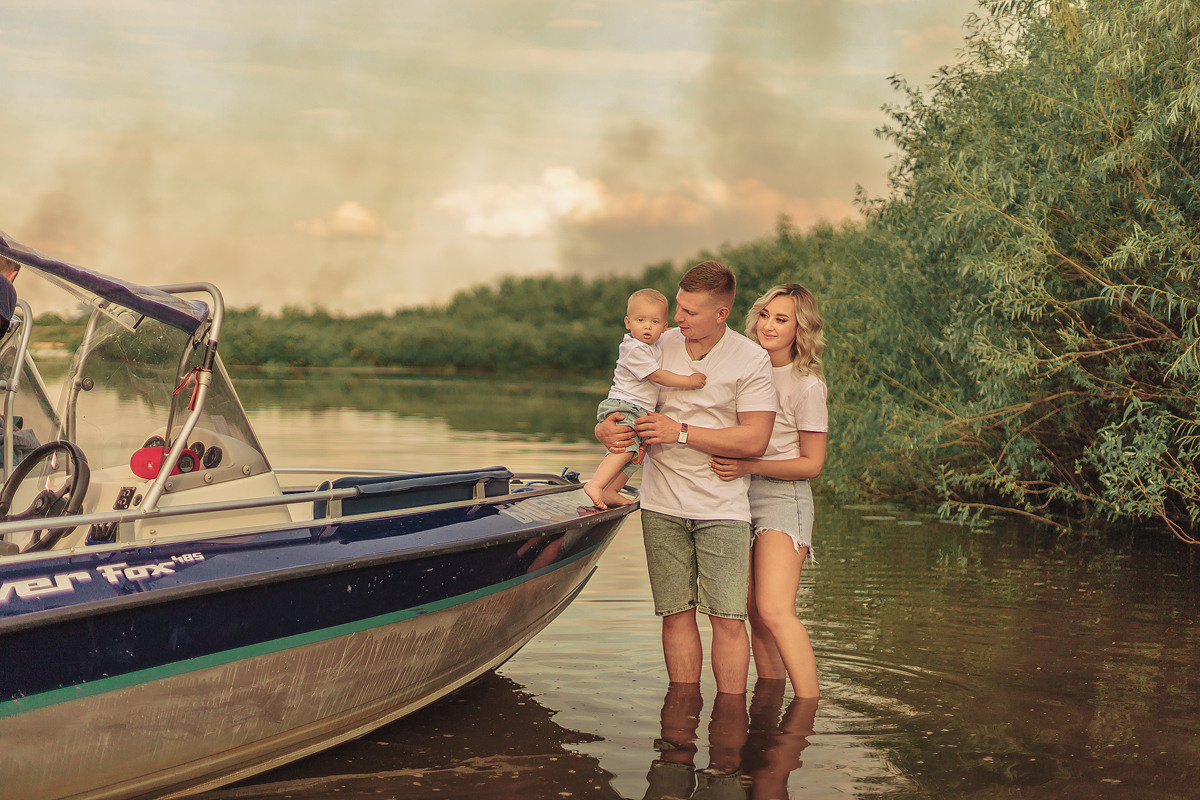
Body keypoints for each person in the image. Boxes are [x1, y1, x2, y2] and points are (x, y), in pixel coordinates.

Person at [596, 261, 777, 695]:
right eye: (677, 307)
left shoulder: (750, 358)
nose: (677, 318)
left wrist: (680, 432)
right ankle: (680, 724)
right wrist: (604, 430)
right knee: (675, 614)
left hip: (724, 508)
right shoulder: (656, 342)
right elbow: (623, 400)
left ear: (722, 313)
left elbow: (756, 438)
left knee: (728, 620)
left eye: (690, 312)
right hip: (660, 504)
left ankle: (730, 726)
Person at [709, 284, 826, 698]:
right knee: (754, 614)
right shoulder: (742, 367)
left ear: (801, 329)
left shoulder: (805, 384)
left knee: (775, 610)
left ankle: (808, 709)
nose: (769, 325)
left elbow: (812, 464)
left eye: (782, 319)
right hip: (736, 494)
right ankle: (770, 697)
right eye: (764, 315)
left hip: (783, 497)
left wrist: (750, 465)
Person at [585, 288, 707, 510]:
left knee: (636, 454)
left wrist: (665, 329)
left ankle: (610, 490)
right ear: (627, 322)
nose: (648, 326)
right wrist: (688, 381)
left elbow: (666, 333)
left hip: (638, 408)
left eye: (655, 322)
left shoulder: (652, 343)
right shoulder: (634, 348)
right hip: (626, 405)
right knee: (626, 448)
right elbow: (657, 375)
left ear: (663, 325)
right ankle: (595, 483)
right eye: (640, 320)